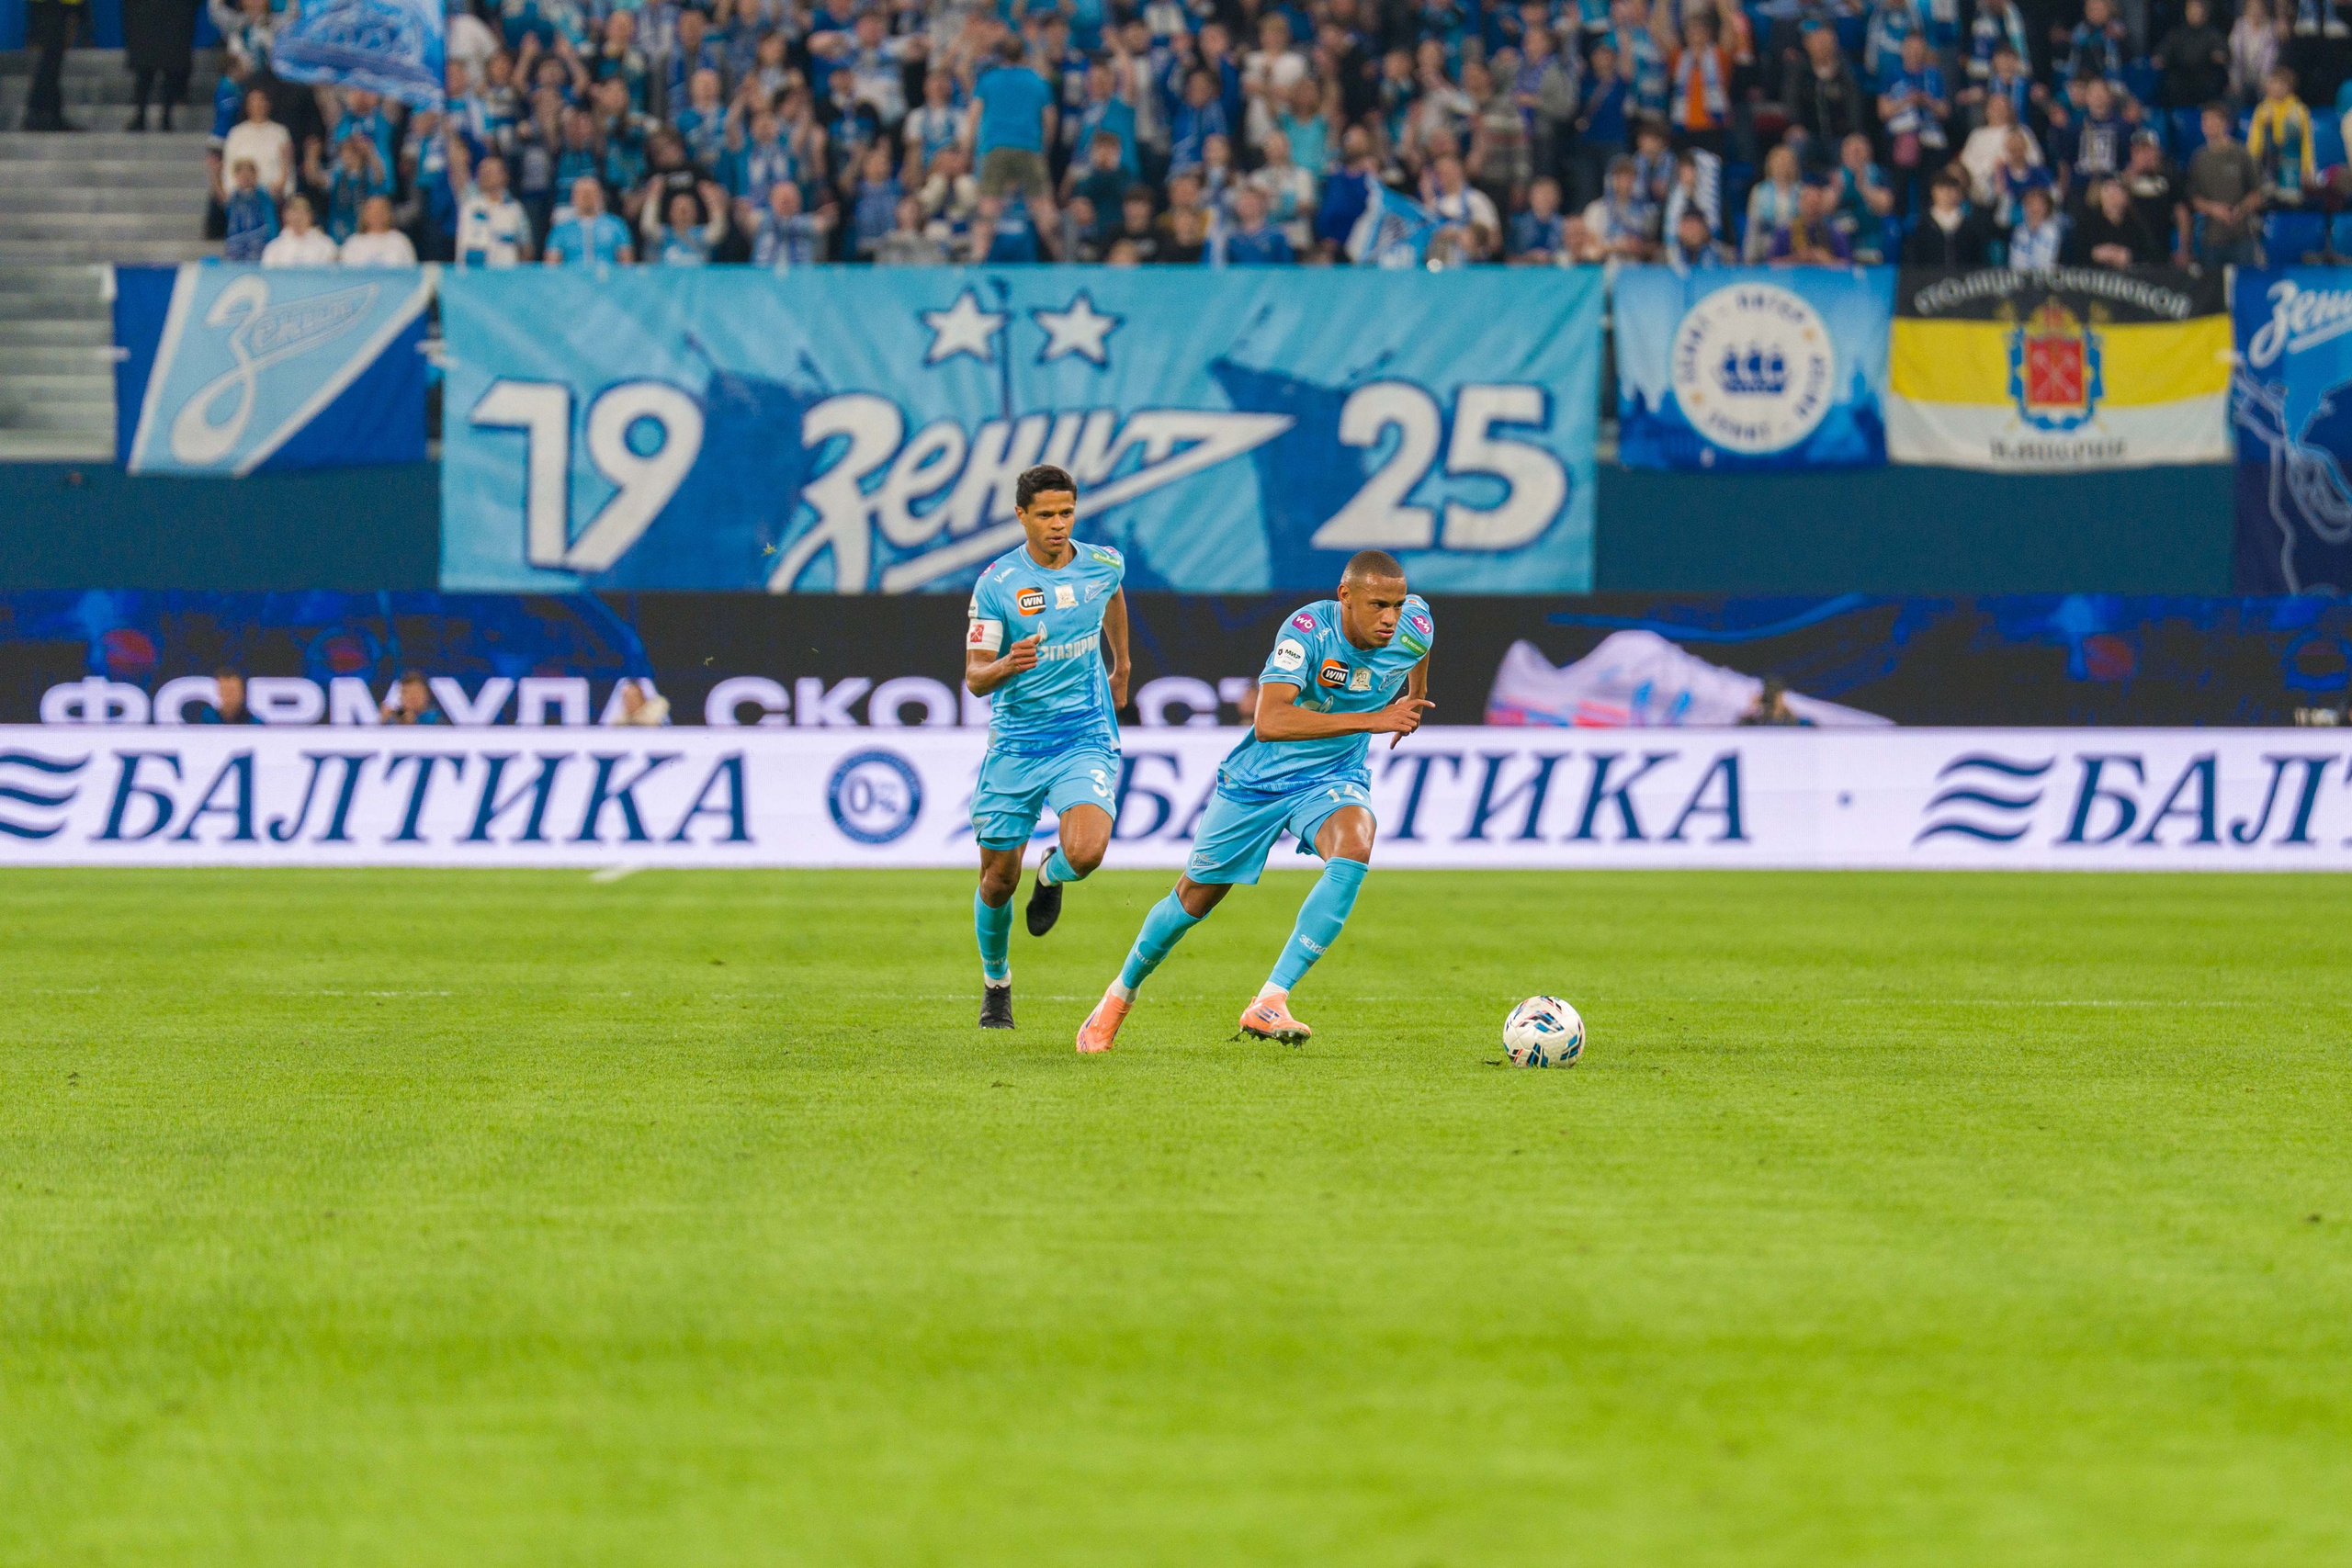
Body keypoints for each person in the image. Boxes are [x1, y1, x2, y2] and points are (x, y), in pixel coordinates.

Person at [1074, 550, 1432, 1053]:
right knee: (1191, 902)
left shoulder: (1413, 624)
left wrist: (1413, 698)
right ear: (1345, 597)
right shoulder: (1306, 632)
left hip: (1332, 778)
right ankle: (1117, 997)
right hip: (1257, 783)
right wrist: (1372, 719)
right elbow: (1270, 721)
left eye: (1396, 604)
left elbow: (1418, 648)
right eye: (1377, 605)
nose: (1390, 618)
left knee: (1355, 844)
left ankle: (1271, 999)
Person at [962, 465, 1132, 1032]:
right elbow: (974, 678)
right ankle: (996, 983)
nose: (1058, 525)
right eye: (1045, 515)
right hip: (1017, 742)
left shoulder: (1103, 563)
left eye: (1066, 513)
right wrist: (1008, 663)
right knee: (996, 881)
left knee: (1085, 853)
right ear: (1021, 516)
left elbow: (1112, 595)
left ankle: (1052, 876)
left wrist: (1121, 663)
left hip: (1084, 732)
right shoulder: (998, 583)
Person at [2185, 100, 2263, 263]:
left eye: (2215, 120)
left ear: (2225, 123)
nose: (2210, 125)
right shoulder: (2199, 158)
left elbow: (2257, 192)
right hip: (2211, 239)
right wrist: (2213, 209)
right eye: (2206, 120)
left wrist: (2240, 209)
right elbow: (2193, 198)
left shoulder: (2241, 154)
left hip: (2241, 237)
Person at [124, 0, 198, 131]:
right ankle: (145, 117)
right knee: (147, 71)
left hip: (170, 16)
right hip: (149, 17)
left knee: (166, 70)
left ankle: (162, 117)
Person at [2068, 174, 2166, 264]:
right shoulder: (2086, 223)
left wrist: (2130, 257)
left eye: (2117, 189)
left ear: (2126, 196)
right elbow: (2072, 256)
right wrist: (2094, 254)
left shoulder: (2136, 225)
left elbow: (2155, 257)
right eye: (2107, 189)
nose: (2112, 195)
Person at [1901, 172, 1992, 262]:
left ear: (1959, 192)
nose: (1946, 194)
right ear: (1933, 192)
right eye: (1941, 189)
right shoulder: (1921, 223)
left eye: (1951, 189)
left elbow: (1978, 256)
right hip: (1929, 275)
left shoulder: (1970, 223)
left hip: (1963, 274)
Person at [544, 177, 634, 265]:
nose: (586, 198)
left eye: (591, 193)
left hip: (607, 277)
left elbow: (626, 264)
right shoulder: (560, 230)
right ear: (573, 197)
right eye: (582, 193)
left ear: (600, 196)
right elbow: (551, 266)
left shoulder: (616, 225)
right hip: (571, 278)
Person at [262, 195, 340, 265]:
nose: (298, 217)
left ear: (310, 216)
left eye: (302, 212)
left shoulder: (326, 245)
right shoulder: (274, 248)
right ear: (286, 216)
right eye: (294, 213)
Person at [340, 196, 418, 265]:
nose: (377, 215)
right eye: (373, 211)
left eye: (381, 210)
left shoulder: (400, 241)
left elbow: (411, 272)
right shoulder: (353, 243)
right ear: (364, 215)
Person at [2010, 183, 2064, 266]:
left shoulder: (2052, 231)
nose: (2034, 208)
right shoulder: (2019, 231)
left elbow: (2046, 260)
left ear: (2046, 208)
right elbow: (2015, 260)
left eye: (2039, 205)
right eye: (2030, 204)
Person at [195, 668, 260, 724]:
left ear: (242, 692)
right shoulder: (208, 718)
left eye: (232, 690)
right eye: (224, 689)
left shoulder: (253, 723)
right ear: (218, 691)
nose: (228, 694)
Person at [381, 671, 447, 725]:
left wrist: (413, 723)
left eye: (416, 692)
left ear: (426, 695)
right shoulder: (396, 718)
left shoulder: (436, 719)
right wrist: (383, 720)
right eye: (407, 692)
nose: (412, 697)